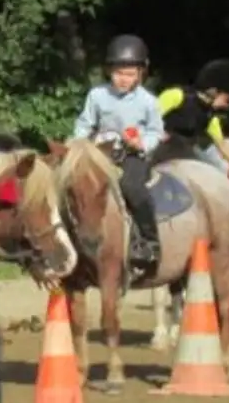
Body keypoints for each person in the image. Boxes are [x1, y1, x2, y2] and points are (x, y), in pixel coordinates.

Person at [70, 34, 164, 280]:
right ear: (108, 71)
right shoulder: (97, 96)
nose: (123, 79)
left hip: (132, 155)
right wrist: (79, 143)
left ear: (141, 74)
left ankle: (149, 241)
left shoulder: (148, 102)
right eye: (118, 73)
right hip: (101, 153)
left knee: (132, 187)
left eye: (130, 74)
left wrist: (141, 143)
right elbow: (85, 123)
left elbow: (156, 131)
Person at [155, 59, 229, 182]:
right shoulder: (176, 95)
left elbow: (222, 145)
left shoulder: (210, 116)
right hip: (160, 147)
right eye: (227, 100)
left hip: (186, 152)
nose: (227, 106)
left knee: (216, 175)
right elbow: (149, 117)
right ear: (213, 91)